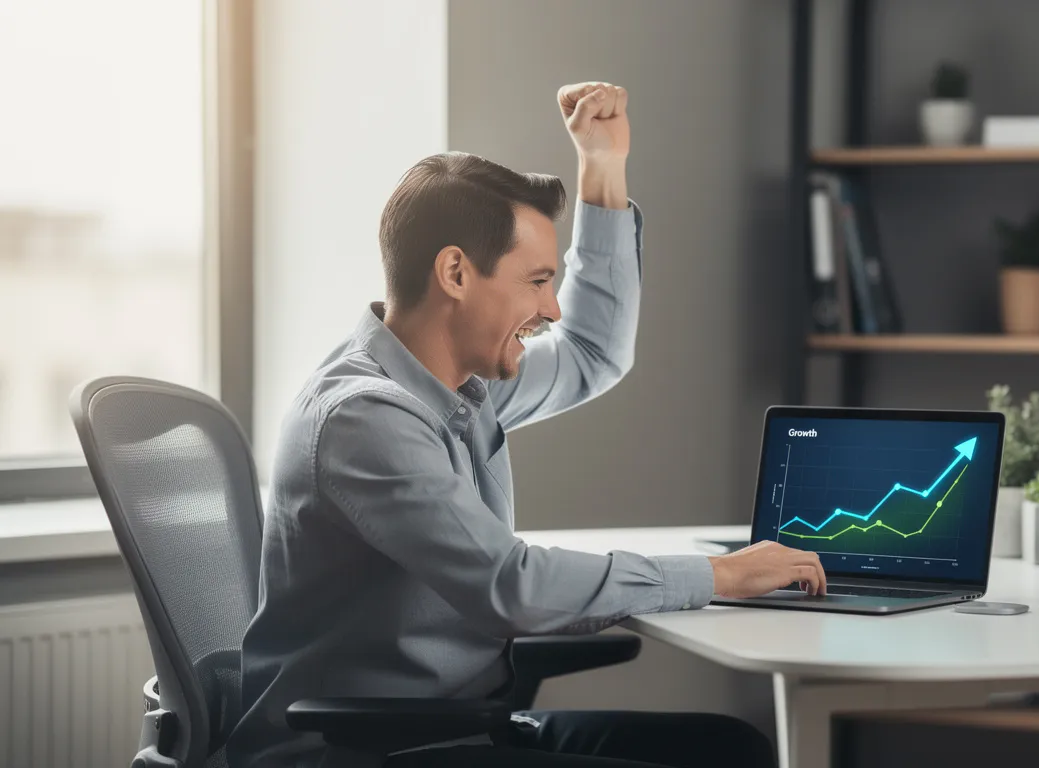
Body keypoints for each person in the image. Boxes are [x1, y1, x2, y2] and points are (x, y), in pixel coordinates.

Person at [228, 82, 826, 768]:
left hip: (455, 730)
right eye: (537, 281)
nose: (552, 308)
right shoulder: (364, 417)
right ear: (456, 273)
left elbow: (592, 352)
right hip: (362, 751)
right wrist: (718, 575)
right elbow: (510, 586)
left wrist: (602, 167)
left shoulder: (459, 386)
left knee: (728, 749)